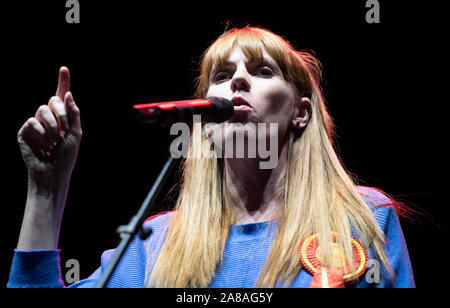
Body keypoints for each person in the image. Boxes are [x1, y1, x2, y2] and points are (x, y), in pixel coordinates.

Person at [8, 26, 415, 288]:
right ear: (204, 115)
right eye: (221, 76)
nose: (237, 79)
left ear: (300, 112)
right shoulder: (154, 245)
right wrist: (46, 189)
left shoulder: (361, 218)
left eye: (262, 71)